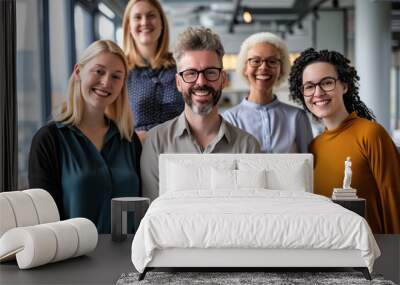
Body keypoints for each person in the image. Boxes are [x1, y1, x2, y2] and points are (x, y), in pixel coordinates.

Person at [28, 40, 142, 234]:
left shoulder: (128, 140)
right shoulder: (49, 140)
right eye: (99, 71)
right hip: (73, 260)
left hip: (128, 259)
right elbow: (43, 220)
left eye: (116, 76)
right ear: (79, 71)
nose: (106, 82)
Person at [141, 26, 261, 201]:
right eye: (190, 73)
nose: (201, 82)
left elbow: (250, 213)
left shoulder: (248, 147)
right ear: (178, 83)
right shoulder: (156, 142)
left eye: (210, 72)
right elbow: (152, 212)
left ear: (223, 79)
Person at [289, 48, 400, 234]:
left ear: (345, 86)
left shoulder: (371, 134)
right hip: (328, 255)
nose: (318, 92)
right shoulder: (314, 146)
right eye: (309, 86)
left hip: (372, 256)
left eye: (327, 82)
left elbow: (394, 201)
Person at [222, 32, 313, 153]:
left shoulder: (297, 117)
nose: (264, 67)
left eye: (272, 61)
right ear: (245, 68)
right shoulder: (230, 119)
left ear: (281, 69)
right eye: (255, 61)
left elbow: (309, 166)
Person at [122, 0, 184, 142]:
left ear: (162, 23)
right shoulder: (120, 70)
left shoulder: (180, 65)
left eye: (151, 16)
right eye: (137, 17)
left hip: (179, 152)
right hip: (137, 156)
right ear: (128, 26)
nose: (144, 22)